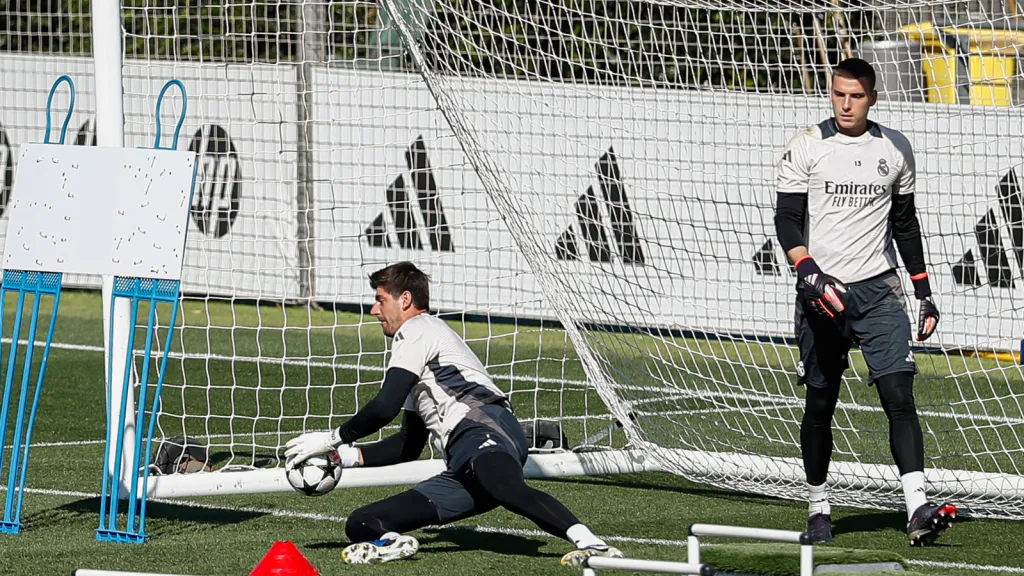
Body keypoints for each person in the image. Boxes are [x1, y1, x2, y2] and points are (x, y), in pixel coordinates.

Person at [283, 261, 623, 566]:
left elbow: (384, 407)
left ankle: (592, 544)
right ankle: (391, 543)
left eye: (380, 300)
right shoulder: (419, 354)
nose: (374, 310)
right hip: (464, 463)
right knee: (362, 522)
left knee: (503, 485)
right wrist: (342, 458)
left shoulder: (417, 330)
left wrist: (332, 438)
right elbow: (408, 444)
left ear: (405, 300)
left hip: (484, 427)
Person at [773, 58, 956, 546]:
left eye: (855, 96)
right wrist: (808, 271)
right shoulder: (806, 144)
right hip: (822, 293)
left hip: (880, 292)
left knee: (899, 394)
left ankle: (917, 509)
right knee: (820, 402)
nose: (845, 104)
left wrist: (923, 290)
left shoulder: (895, 148)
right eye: (838, 94)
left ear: (872, 98)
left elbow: (905, 224)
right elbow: (787, 219)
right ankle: (818, 509)